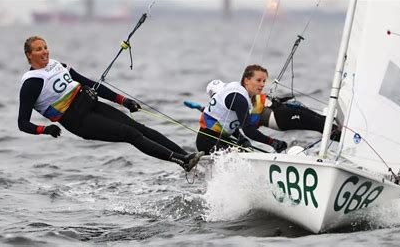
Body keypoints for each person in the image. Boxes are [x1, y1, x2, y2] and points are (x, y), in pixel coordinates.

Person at [18, 36, 204, 171]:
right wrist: (45, 129)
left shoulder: (57, 65)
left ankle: (189, 157)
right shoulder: (31, 83)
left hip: (92, 105)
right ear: (29, 55)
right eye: (38, 49)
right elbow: (22, 123)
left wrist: (123, 101)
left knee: (141, 129)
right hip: (79, 121)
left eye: (45, 47)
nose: (44, 51)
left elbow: (90, 84)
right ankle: (181, 161)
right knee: (129, 133)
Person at [196, 64, 288, 154]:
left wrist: (241, 138)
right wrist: (272, 142)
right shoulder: (239, 99)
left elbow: (226, 121)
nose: (262, 84)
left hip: (218, 139)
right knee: (243, 158)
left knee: (247, 153)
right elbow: (248, 130)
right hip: (207, 141)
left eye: (264, 81)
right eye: (258, 80)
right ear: (246, 80)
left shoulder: (238, 90)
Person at [205, 80, 340, 136]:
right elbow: (250, 122)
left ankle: (349, 137)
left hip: (280, 110)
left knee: (323, 121)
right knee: (320, 124)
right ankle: (346, 137)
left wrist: (274, 101)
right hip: (277, 118)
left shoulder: (234, 95)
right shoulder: (228, 108)